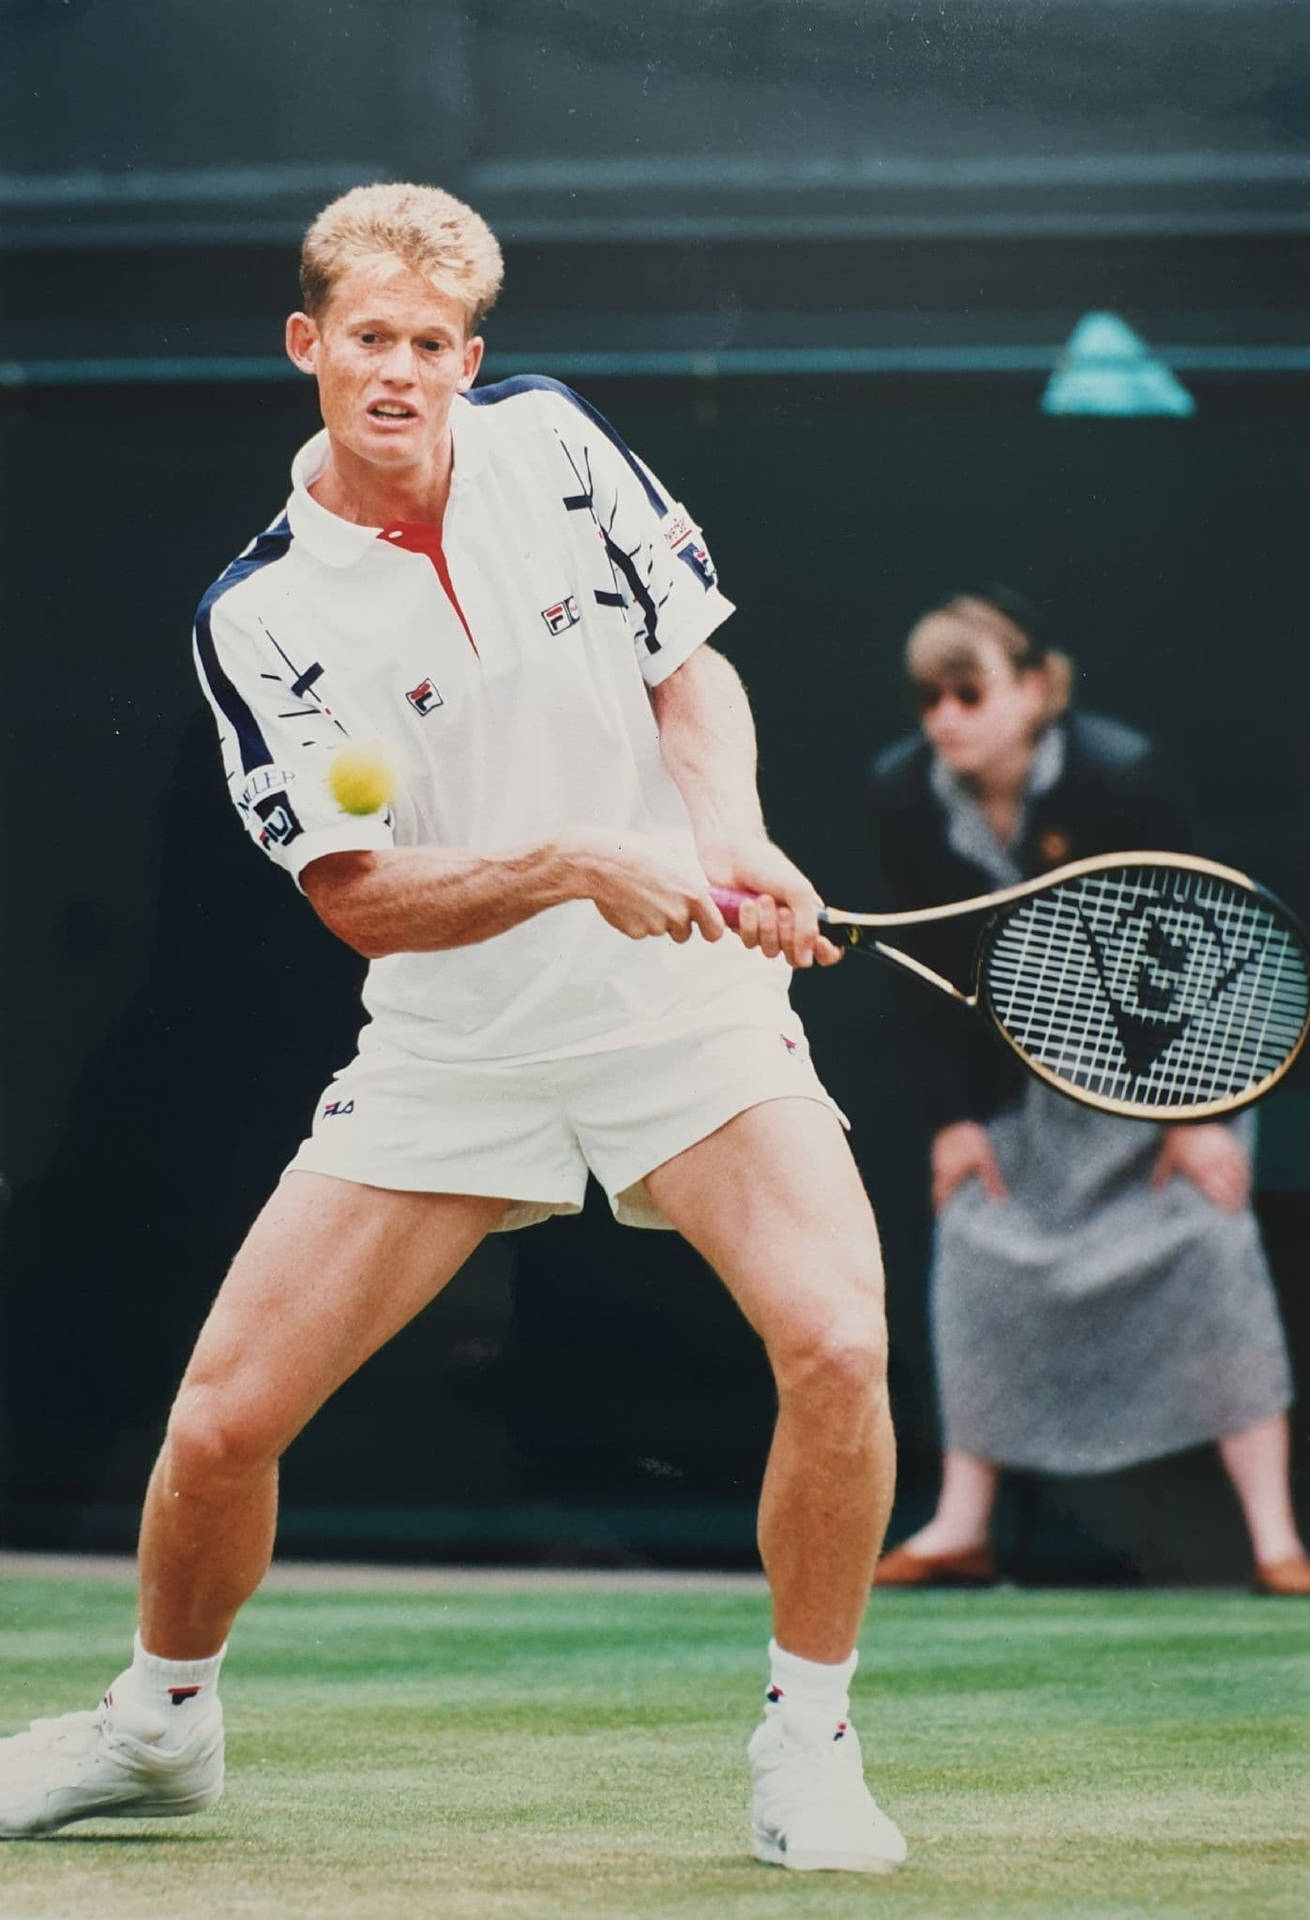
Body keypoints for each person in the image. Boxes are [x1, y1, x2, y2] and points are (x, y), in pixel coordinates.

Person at [0, 182, 906, 1872]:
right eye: (368, 341)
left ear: (469, 357)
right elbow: (359, 894)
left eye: (430, 344)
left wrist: (730, 829)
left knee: (840, 1346)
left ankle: (812, 1744)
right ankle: (158, 1727)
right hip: (457, 1047)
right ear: (309, 348)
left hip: (684, 1016)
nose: (398, 372)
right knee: (217, 1429)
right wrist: (575, 861)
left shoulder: (559, 447)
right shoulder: (263, 617)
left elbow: (687, 663)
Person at [868, 588, 1309, 1596]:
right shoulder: (901, 794)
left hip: (1164, 1081)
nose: (944, 718)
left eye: (967, 692)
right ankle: (960, 1527)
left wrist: (1199, 1118)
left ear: (1032, 691)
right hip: (1014, 1096)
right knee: (973, 1249)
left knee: (1210, 1246)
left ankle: (1275, 1540)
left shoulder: (1121, 776)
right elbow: (916, 972)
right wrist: (950, 1124)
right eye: (927, 698)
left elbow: (1203, 941)